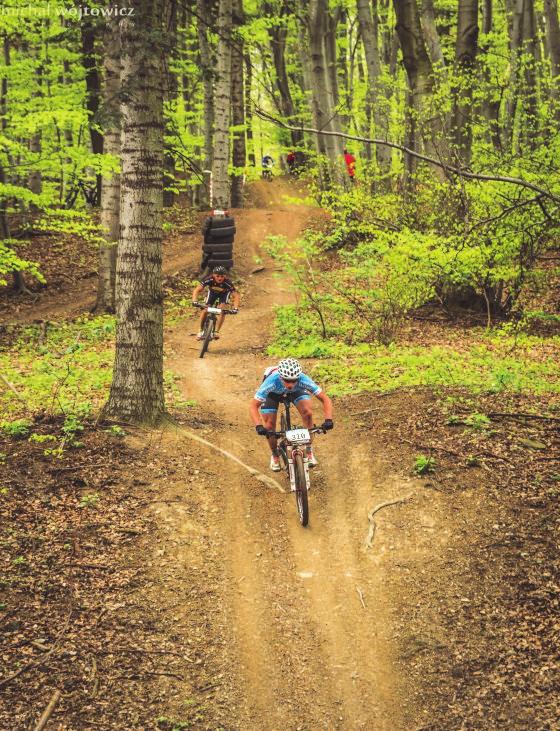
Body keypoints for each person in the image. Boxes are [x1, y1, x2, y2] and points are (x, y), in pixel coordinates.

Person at [249, 358, 334, 472]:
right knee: (269, 426)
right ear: (280, 377)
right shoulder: (271, 381)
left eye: (294, 380)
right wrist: (259, 426)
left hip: (296, 392)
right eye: (287, 380)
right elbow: (253, 406)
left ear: (298, 377)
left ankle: (308, 450)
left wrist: (328, 419)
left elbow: (325, 399)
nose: (290, 384)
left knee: (307, 413)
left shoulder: (303, 379)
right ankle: (275, 454)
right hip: (272, 393)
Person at [191, 266, 240, 340]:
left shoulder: (228, 283)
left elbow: (236, 295)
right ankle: (200, 330)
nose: (220, 278)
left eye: (222, 276)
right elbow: (197, 290)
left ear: (225, 276)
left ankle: (216, 331)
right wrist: (194, 300)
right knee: (205, 309)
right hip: (212, 294)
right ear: (213, 275)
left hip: (223, 295)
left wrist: (235, 308)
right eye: (217, 276)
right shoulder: (209, 279)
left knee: (222, 310)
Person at [200, 209, 235, 274]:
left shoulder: (209, 220)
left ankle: (206, 269)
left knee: (208, 255)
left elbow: (204, 232)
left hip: (213, 248)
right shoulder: (229, 221)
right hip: (223, 249)